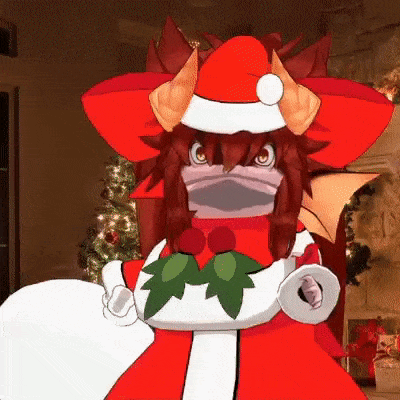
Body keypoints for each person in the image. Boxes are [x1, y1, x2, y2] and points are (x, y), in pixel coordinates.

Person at [81, 17, 394, 400]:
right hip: (177, 366)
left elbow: (310, 277)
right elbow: (150, 273)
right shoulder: (178, 240)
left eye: (260, 159)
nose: (227, 174)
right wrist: (122, 289)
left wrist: (309, 288)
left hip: (273, 365)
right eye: (201, 157)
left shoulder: (288, 238)